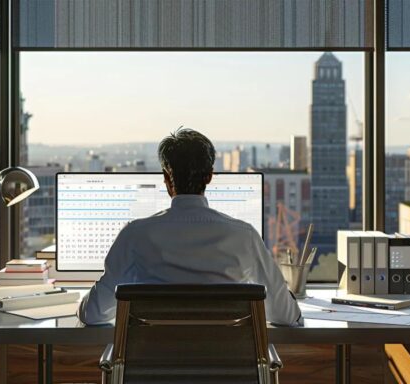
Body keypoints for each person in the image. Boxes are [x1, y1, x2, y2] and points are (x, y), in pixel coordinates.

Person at [78, 128, 302, 326]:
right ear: (210, 177)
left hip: (153, 371)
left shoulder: (135, 235)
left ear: (166, 178)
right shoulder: (245, 237)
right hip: (226, 371)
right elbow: (285, 315)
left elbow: (92, 314)